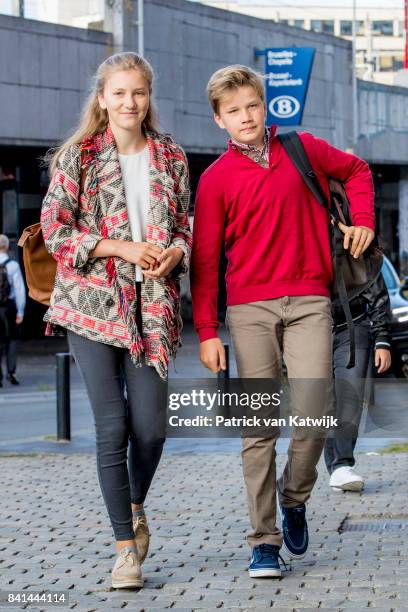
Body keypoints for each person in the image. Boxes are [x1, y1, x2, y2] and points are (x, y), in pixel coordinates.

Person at [191, 65, 375, 579]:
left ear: (264, 104)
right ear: (218, 120)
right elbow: (205, 261)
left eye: (252, 105)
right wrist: (206, 330)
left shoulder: (303, 148)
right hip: (249, 310)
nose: (246, 116)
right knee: (259, 428)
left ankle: (294, 499)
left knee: (314, 413)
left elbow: (358, 171)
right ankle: (264, 539)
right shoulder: (214, 180)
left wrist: (362, 219)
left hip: (312, 301)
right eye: (234, 111)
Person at [41, 52, 191, 589]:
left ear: (149, 98)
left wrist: (176, 251)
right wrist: (120, 247)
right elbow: (56, 231)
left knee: (150, 427)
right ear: (102, 98)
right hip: (92, 307)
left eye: (139, 93)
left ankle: (133, 503)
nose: (130, 103)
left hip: (153, 307)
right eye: (120, 93)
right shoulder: (78, 156)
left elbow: (185, 224)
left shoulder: (171, 155)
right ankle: (125, 547)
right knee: (112, 427)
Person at [325, 272, 392, 491]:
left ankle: (342, 465)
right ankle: (334, 467)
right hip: (310, 329)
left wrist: (382, 338)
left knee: (350, 395)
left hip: (354, 327)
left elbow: (374, 285)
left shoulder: (354, 242)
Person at [0, 234, 26, 386]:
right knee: (11, 341)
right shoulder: (13, 265)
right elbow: (19, 290)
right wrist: (20, 312)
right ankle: (11, 373)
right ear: (8, 247)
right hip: (9, 308)